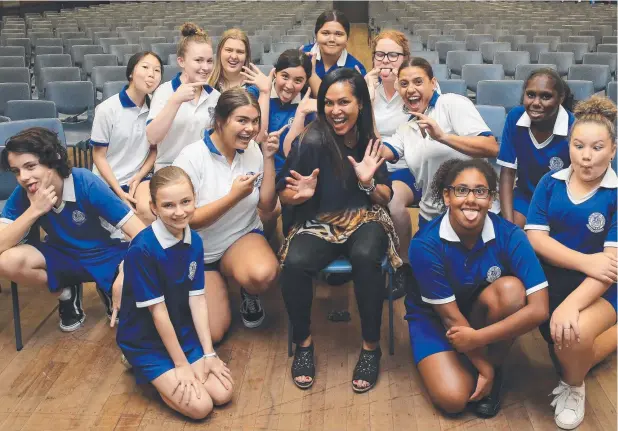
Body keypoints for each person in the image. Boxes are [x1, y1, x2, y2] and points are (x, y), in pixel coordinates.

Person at [277, 68, 401, 393]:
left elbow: (386, 197)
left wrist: (368, 182)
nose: (336, 110)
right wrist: (298, 194)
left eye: (344, 101)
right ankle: (304, 344)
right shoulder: (310, 140)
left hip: (364, 217)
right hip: (319, 223)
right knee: (294, 262)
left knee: (365, 255)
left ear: (360, 103)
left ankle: (370, 348)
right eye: (329, 103)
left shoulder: (370, 140)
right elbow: (283, 192)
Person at [406, 158, 549, 417]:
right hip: (436, 320)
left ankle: (495, 362)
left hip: (479, 316)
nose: (471, 199)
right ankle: (482, 367)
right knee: (454, 399)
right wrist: (483, 368)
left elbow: (540, 309)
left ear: (491, 198)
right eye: (461, 190)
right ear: (447, 196)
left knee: (512, 291)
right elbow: (450, 318)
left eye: (480, 191)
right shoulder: (425, 244)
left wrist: (478, 340)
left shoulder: (511, 235)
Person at [525, 96, 617, 430]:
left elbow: (608, 268)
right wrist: (585, 261)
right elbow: (536, 238)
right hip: (554, 278)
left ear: (613, 150)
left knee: (571, 336)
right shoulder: (550, 183)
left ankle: (574, 388)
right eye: (579, 146)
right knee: (560, 342)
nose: (587, 156)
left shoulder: (616, 193)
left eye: (597, 147)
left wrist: (571, 307)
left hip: (603, 287)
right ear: (570, 146)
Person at [117, 166, 233, 420]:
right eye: (168, 205)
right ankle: (140, 366)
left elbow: (198, 299)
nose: (179, 212)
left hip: (180, 331)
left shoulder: (196, 241)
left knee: (223, 393)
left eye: (186, 202)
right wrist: (181, 366)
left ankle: (174, 371)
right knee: (201, 407)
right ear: (154, 208)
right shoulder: (142, 250)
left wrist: (209, 353)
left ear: (195, 200)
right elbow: (157, 312)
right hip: (145, 339)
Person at [0, 127, 144, 331]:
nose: (23, 177)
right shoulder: (25, 191)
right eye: (16, 171)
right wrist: (35, 210)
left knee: (131, 315)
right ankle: (66, 293)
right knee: (6, 261)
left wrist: (124, 274)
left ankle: (109, 285)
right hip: (64, 254)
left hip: (106, 253)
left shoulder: (85, 182)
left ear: (53, 160)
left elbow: (142, 233)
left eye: (30, 166)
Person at [173, 87, 281, 336]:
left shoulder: (253, 150)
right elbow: (188, 221)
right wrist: (233, 197)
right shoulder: (191, 158)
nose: (250, 129)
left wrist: (268, 158)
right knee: (213, 333)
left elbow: (266, 205)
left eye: (255, 121)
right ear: (220, 121)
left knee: (263, 273)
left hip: (240, 237)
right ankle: (216, 282)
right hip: (201, 252)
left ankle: (246, 289)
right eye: (241, 120)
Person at [381, 57, 499, 230]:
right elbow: (379, 152)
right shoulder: (405, 129)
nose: (411, 89)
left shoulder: (451, 103)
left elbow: (490, 147)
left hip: (474, 211)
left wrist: (443, 137)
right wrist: (366, 106)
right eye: (404, 84)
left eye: (418, 82)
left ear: (433, 83)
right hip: (431, 216)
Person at [366, 29, 421, 298]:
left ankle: (403, 265)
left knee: (393, 201)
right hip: (373, 162)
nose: (385, 61)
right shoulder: (367, 88)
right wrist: (367, 99)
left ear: (404, 58)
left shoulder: (414, 89)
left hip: (408, 165)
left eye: (392, 55)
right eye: (379, 55)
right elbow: (364, 137)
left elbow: (412, 141)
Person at [91, 51, 163, 225]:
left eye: (157, 70)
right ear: (131, 73)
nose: (151, 74)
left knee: (149, 211)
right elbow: (98, 156)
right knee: (115, 225)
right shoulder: (107, 109)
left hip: (138, 179)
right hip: (108, 181)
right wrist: (118, 191)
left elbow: (154, 150)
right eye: (145, 67)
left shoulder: (158, 107)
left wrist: (138, 177)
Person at [498, 68, 575, 228]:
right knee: (511, 232)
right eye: (530, 94)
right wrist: (508, 226)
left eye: (546, 96)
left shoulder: (573, 126)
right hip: (526, 197)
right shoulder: (515, 117)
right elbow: (507, 172)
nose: (536, 103)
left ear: (560, 98)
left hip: (561, 199)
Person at [146, 23, 220, 171]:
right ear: (181, 61)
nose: (205, 67)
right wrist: (175, 100)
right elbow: (152, 137)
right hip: (170, 169)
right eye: (198, 60)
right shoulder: (164, 91)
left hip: (205, 169)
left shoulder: (215, 96)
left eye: (209, 61)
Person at [242, 49, 315, 174]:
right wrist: (265, 93)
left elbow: (294, 155)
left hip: (287, 175)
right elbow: (255, 138)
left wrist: (300, 114)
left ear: (305, 82)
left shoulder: (307, 106)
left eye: (298, 80)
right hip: (252, 170)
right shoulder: (254, 92)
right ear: (275, 73)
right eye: (285, 76)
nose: (289, 85)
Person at [301, 10, 367, 96]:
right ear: (316, 35)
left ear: (347, 38)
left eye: (339, 34)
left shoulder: (355, 68)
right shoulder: (302, 55)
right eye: (325, 33)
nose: (332, 39)